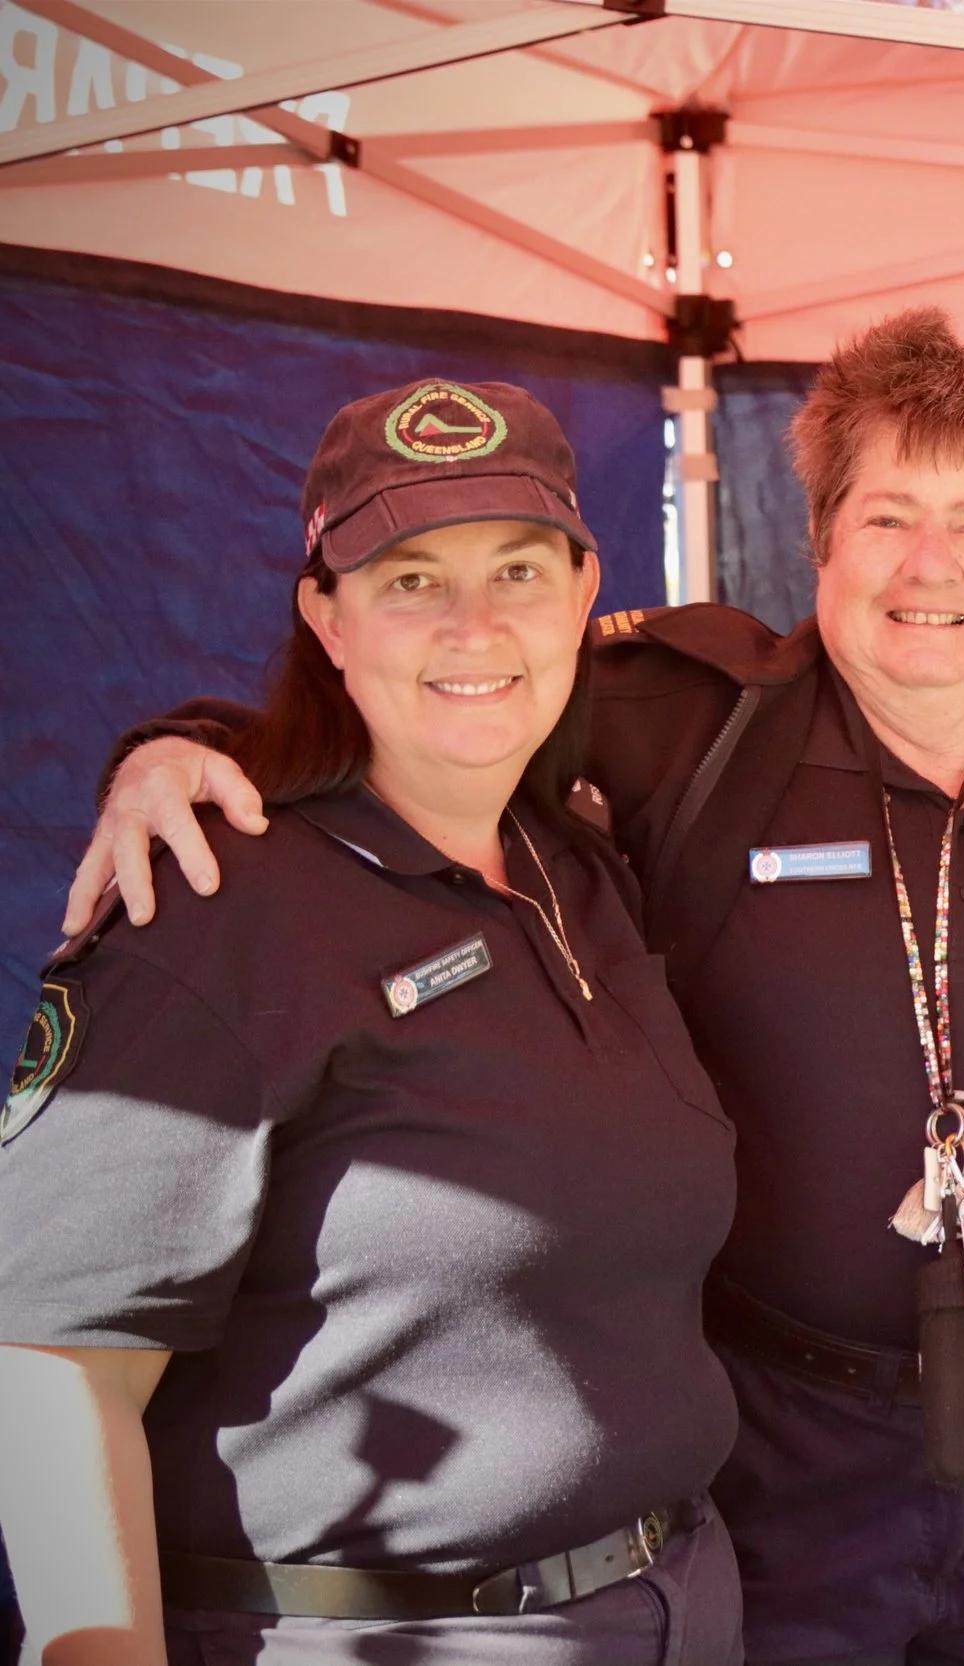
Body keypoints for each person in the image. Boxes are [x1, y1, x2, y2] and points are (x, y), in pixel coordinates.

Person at [72, 311, 964, 1666]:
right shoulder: (680, 725)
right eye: (885, 517)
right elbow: (440, 699)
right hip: (769, 1476)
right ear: (816, 542)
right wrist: (183, 748)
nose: (929, 566)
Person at [0, 379, 744, 1663]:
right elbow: (53, 1364)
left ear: (582, 592)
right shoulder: (221, 909)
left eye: (517, 569)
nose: (474, 624)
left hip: (673, 1604)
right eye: (408, 579)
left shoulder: (578, 869)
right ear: (325, 618)